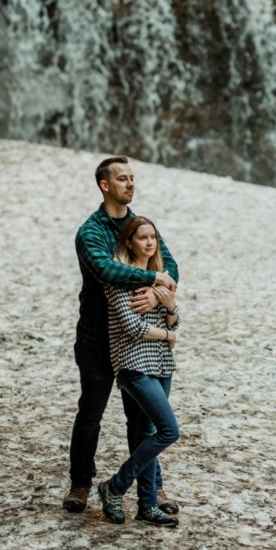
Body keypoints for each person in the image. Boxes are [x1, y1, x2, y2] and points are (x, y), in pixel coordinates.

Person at [64, 156, 180, 516]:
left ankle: (152, 491)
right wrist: (150, 280)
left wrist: (159, 291)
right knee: (91, 413)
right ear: (104, 185)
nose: (130, 184)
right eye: (122, 179)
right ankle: (81, 484)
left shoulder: (139, 226)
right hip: (98, 337)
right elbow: (104, 268)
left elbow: (168, 264)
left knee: (142, 420)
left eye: (132, 178)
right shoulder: (91, 231)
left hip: (138, 344)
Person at [97, 216, 181, 526]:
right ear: (129, 242)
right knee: (168, 431)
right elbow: (133, 327)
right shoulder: (119, 280)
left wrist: (170, 306)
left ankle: (147, 505)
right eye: (142, 237)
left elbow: (174, 321)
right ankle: (114, 486)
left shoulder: (157, 279)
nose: (149, 242)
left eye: (153, 237)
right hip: (134, 366)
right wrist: (169, 335)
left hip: (161, 364)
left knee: (143, 432)